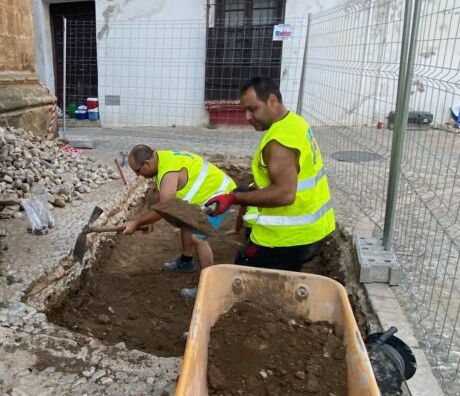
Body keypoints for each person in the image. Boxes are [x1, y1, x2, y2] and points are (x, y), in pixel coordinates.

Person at [206, 76, 335, 271]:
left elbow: (285, 194)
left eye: (252, 109)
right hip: (312, 230)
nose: (247, 117)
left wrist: (234, 199)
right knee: (284, 276)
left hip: (287, 237)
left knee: (244, 266)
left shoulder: (279, 141)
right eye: (244, 111)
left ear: (272, 101)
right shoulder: (295, 123)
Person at [122, 145, 236, 299]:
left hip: (220, 196)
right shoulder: (161, 160)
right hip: (209, 193)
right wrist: (148, 220)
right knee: (183, 218)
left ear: (147, 163)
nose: (137, 175)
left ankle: (208, 287)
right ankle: (186, 262)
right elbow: (158, 195)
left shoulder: (169, 171)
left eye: (137, 170)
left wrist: (136, 222)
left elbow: (165, 207)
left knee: (198, 237)